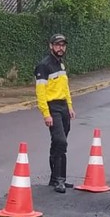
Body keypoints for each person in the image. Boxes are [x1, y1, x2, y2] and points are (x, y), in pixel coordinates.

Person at [35, 33, 75, 193]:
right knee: (61, 142)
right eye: (57, 45)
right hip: (53, 107)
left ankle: (57, 178)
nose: (61, 48)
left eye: (63, 45)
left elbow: (65, 88)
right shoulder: (43, 66)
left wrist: (70, 106)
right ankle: (59, 180)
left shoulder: (61, 64)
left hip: (64, 106)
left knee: (58, 144)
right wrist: (46, 113)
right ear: (51, 46)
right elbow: (40, 93)